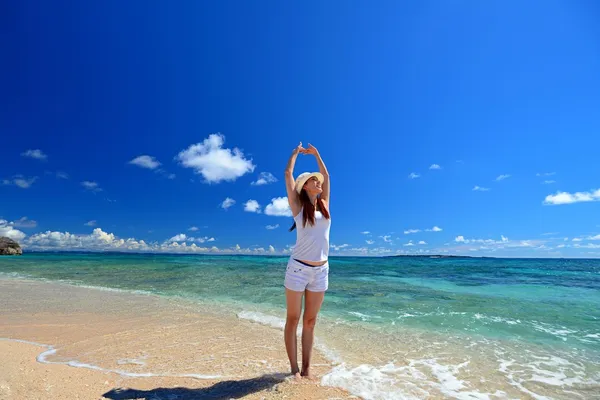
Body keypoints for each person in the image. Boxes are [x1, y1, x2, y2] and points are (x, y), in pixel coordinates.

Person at [283, 142, 331, 380]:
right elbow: (288, 174)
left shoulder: (325, 206)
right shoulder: (298, 208)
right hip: (298, 269)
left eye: (318, 180)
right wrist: (295, 154)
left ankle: (307, 368)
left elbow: (327, 175)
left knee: (310, 321)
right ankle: (294, 371)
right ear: (305, 187)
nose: (318, 182)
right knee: (293, 319)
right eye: (313, 180)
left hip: (321, 271)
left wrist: (317, 155)